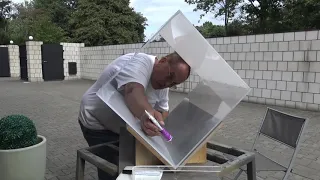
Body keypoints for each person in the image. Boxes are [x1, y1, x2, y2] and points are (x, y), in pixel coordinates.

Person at [78, 51, 191, 180]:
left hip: (123, 129)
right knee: (114, 170)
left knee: (133, 166)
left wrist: (159, 124)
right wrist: (146, 115)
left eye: (173, 84)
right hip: (96, 122)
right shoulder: (140, 61)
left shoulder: (163, 86)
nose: (167, 84)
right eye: (170, 76)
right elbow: (132, 90)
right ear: (163, 61)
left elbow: (163, 110)